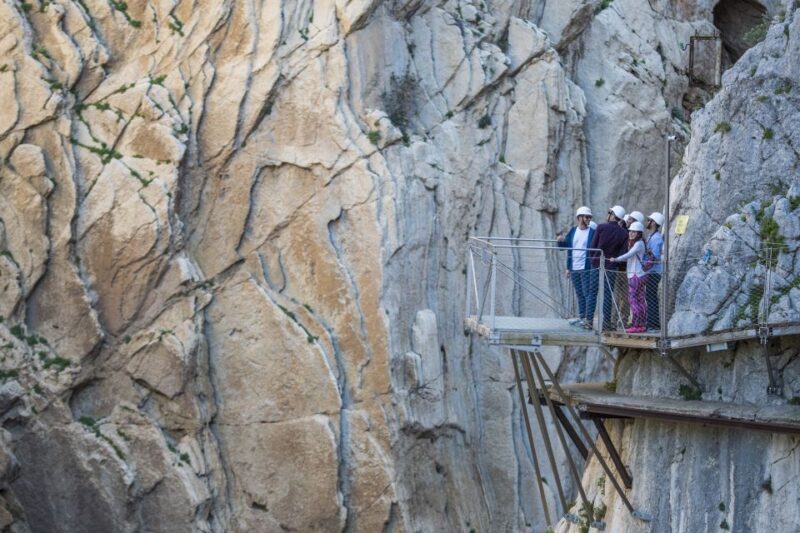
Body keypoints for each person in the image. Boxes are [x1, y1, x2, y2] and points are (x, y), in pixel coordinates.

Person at [590, 205, 629, 329]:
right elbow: (622, 253)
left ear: (612, 214)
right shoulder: (623, 233)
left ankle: (588, 319)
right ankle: (606, 322)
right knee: (607, 294)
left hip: (597, 264)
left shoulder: (601, 227)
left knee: (592, 292)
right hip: (611, 267)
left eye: (609, 212)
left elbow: (592, 246)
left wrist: (594, 258)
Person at [557, 207, 596, 329]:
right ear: (579, 218)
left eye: (589, 217)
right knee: (579, 293)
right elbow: (565, 247)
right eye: (586, 217)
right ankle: (582, 317)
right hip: (574, 268)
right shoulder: (573, 231)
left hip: (586, 268)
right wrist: (560, 241)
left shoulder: (592, 232)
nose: (588, 219)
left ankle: (587, 319)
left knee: (587, 293)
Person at [610, 221, 647, 333]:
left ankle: (636, 324)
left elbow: (629, 255)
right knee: (640, 301)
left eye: (634, 232)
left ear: (639, 233)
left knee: (633, 301)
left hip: (634, 275)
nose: (631, 233)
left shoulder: (638, 244)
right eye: (630, 231)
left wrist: (616, 259)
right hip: (640, 274)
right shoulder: (639, 243)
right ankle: (642, 324)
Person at [645, 212, 665, 331]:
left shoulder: (656, 238)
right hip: (651, 271)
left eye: (649, 220)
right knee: (650, 296)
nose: (647, 222)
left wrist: (646, 253)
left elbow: (655, 256)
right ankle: (652, 322)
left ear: (653, 223)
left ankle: (653, 324)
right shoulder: (651, 236)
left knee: (651, 297)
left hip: (654, 271)